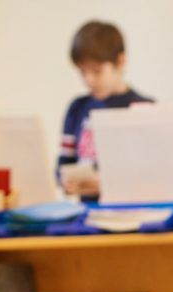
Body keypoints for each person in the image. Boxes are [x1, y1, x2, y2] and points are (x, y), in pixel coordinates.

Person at [56, 21, 153, 201]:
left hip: (132, 211)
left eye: (97, 71)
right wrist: (66, 182)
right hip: (87, 214)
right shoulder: (77, 108)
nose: (89, 80)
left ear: (121, 61)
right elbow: (62, 166)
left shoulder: (144, 110)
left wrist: (109, 184)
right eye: (82, 72)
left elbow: (154, 176)